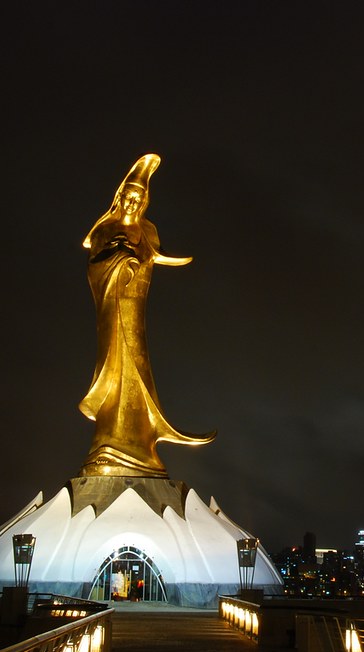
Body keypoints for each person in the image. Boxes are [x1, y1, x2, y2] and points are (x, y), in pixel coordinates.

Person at [78, 154, 214, 478]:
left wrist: (136, 259)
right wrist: (117, 254)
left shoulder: (148, 230)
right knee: (116, 366)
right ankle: (108, 444)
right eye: (128, 196)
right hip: (113, 310)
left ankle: (140, 442)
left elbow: (152, 258)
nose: (132, 202)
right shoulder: (105, 228)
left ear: (143, 203)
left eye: (138, 198)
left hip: (133, 307)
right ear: (120, 197)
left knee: (139, 369)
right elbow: (95, 266)